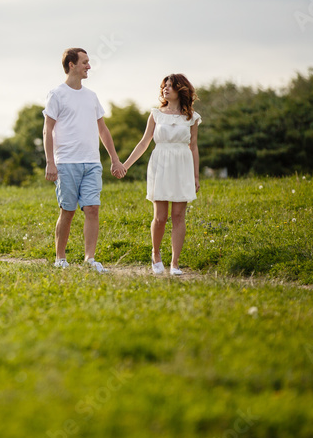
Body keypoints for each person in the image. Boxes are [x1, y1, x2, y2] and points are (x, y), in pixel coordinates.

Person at [43, 48, 127, 273]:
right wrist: (50, 162)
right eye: (85, 62)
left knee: (93, 209)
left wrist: (115, 160)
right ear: (71, 64)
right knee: (67, 211)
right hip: (66, 163)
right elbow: (47, 129)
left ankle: (90, 259)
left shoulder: (91, 96)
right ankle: (60, 258)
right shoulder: (56, 94)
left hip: (92, 163)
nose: (89, 66)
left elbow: (103, 129)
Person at [121, 74, 201, 276]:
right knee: (160, 217)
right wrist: (125, 165)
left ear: (180, 89)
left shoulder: (191, 117)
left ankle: (175, 263)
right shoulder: (156, 114)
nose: (166, 89)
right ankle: (155, 254)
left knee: (178, 215)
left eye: (171, 86)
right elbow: (144, 143)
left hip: (183, 165)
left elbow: (193, 147)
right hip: (161, 163)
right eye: (164, 86)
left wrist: (196, 176)